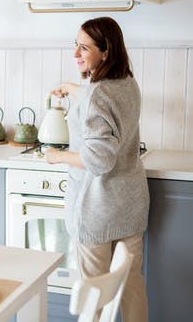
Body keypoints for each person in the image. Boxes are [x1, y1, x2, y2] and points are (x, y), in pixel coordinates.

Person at [45, 17, 149, 322]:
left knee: (93, 296)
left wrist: (56, 157)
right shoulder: (127, 83)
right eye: (75, 45)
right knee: (132, 288)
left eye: (84, 48)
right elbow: (101, 100)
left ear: (105, 52)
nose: (76, 53)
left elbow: (98, 160)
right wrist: (71, 87)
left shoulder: (96, 94)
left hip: (97, 208)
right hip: (130, 205)